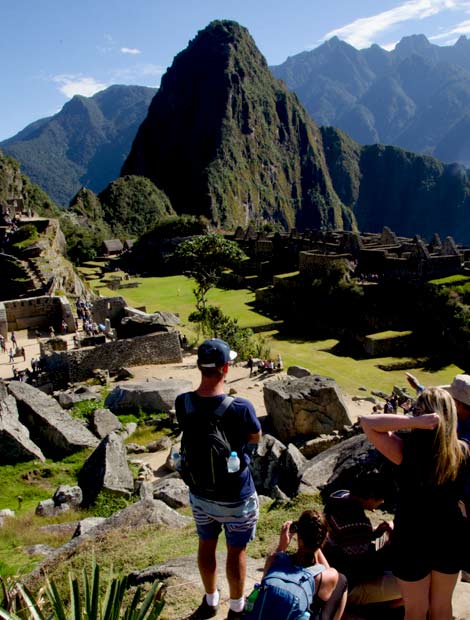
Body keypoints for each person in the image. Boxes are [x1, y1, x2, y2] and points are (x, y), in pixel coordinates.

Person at [360, 387, 469, 620]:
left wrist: (413, 421)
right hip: (449, 537)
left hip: (411, 539)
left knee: (415, 611)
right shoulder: (462, 452)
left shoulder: (405, 451)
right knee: (442, 609)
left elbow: (367, 422)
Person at [175, 338, 262, 620]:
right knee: (236, 550)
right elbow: (255, 436)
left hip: (200, 492)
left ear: (200, 366)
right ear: (226, 368)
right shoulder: (241, 407)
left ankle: (210, 600)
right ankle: (235, 609)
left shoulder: (183, 403)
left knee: (206, 544)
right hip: (236, 495)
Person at [245, 510, 347, 619]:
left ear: (298, 536)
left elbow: (264, 581)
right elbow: (329, 572)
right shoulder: (326, 577)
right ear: (323, 538)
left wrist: (282, 545)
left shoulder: (274, 560)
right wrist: (316, 544)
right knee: (342, 579)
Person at [323, 472, 401, 608]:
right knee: (409, 586)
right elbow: (366, 568)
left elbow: (349, 539)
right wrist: (390, 546)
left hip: (333, 563)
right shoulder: (358, 525)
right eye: (380, 498)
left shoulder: (339, 497)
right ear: (370, 497)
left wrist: (373, 534)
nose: (382, 502)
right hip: (348, 586)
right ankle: (365, 610)